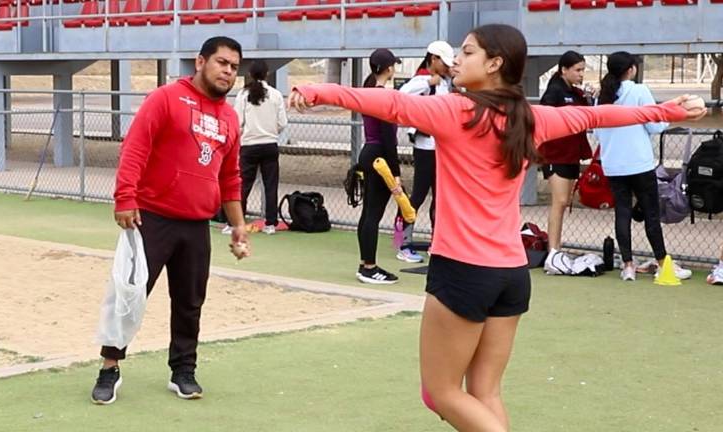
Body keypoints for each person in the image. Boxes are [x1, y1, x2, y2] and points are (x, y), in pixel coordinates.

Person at [289, 24, 705, 431]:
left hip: (463, 271)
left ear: (495, 63)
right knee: (485, 393)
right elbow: (594, 115)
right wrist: (665, 111)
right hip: (512, 274)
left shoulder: (456, 111)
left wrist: (314, 91)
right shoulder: (531, 117)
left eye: (468, 52)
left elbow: (389, 105)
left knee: (440, 393)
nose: (457, 58)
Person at [91, 37, 250, 405]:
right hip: (151, 219)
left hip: (196, 225)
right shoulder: (165, 98)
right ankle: (109, 366)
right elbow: (135, 148)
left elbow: (231, 177)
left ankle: (183, 370)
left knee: (190, 301)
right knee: (128, 296)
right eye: (221, 63)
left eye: (234, 67)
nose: (228, 71)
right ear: (200, 61)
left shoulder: (229, 117)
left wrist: (238, 225)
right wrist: (125, 198)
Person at [594, 51, 692, 282]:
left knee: (622, 212)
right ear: (631, 69)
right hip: (638, 162)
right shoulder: (639, 91)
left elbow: (598, 132)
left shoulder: (603, 96)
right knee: (650, 213)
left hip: (613, 164)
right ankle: (662, 263)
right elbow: (655, 125)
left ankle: (627, 265)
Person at [396, 40, 454, 264]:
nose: (447, 67)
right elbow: (402, 95)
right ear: (433, 59)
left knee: (441, 198)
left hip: (443, 148)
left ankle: (437, 242)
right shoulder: (422, 80)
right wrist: (428, 82)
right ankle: (403, 242)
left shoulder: (448, 82)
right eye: (443, 62)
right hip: (424, 148)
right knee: (417, 197)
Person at [538, 51, 594, 274]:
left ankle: (556, 248)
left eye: (582, 70)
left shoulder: (576, 92)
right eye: (577, 70)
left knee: (565, 202)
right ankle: (553, 251)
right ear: (564, 69)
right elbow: (544, 118)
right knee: (559, 202)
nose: (581, 74)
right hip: (555, 155)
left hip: (571, 154)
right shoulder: (554, 92)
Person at [354, 48, 403, 284]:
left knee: (368, 213)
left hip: (368, 153)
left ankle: (366, 263)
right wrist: (396, 173)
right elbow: (389, 139)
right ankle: (369, 268)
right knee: (373, 214)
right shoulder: (383, 95)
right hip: (380, 156)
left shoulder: (368, 92)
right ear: (389, 68)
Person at [230, 59, 288, 235]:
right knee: (271, 185)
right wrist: (271, 131)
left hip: (249, 145)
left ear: (250, 74)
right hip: (270, 144)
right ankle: (270, 224)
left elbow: (237, 121)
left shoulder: (243, 95)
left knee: (243, 185)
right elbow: (282, 123)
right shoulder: (276, 94)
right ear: (267, 74)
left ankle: (235, 223)